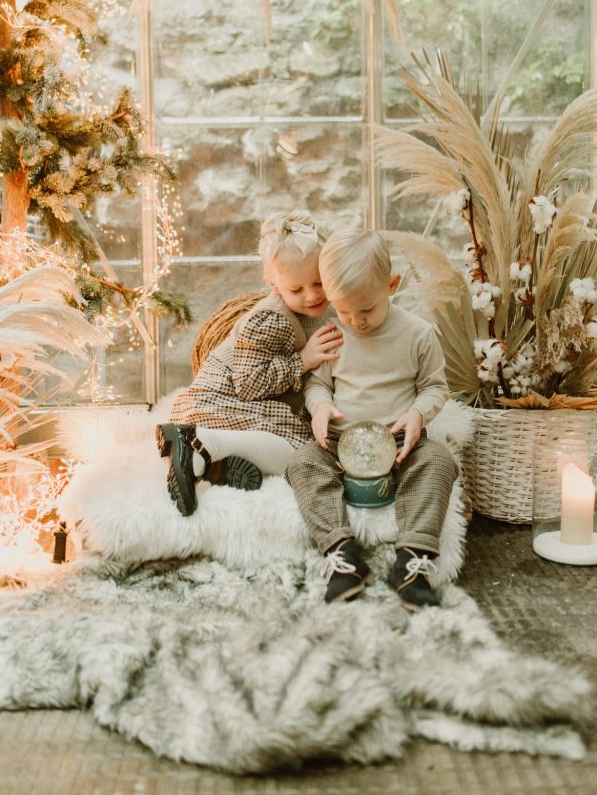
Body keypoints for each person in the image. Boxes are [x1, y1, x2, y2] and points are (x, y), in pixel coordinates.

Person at [284, 226, 458, 610]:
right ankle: (341, 554)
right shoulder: (333, 333)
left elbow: (435, 387)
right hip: (341, 441)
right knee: (301, 462)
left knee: (439, 461)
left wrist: (417, 413)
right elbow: (317, 386)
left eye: (366, 309)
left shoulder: (418, 335)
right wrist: (320, 407)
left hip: (399, 442)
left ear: (391, 284)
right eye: (343, 309)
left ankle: (413, 560)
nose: (355, 321)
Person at [157, 210, 343, 516]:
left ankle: (209, 465)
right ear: (274, 285)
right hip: (221, 400)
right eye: (297, 289)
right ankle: (202, 443)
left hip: (249, 405)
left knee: (301, 449)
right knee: (301, 454)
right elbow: (249, 384)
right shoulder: (271, 319)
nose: (312, 295)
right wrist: (303, 360)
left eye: (319, 282)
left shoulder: (328, 310)